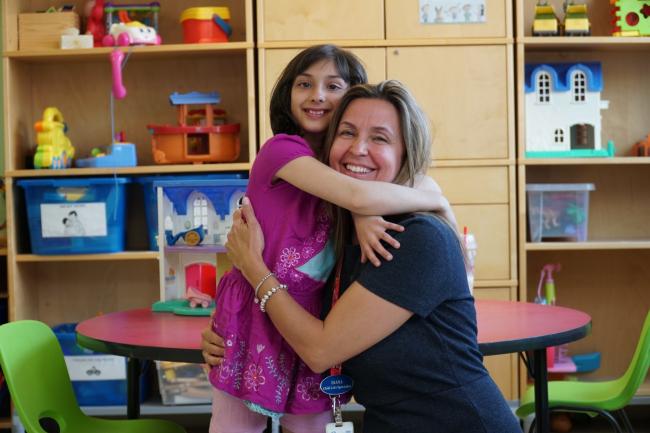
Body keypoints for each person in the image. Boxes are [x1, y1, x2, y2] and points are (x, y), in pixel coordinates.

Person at [207, 81, 521, 433]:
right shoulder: (343, 238)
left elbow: (320, 348)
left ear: (406, 155)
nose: (358, 149)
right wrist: (227, 335)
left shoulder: (416, 238)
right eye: (347, 132)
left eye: (380, 138)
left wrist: (255, 269)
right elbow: (300, 313)